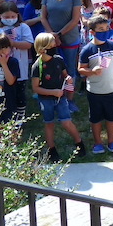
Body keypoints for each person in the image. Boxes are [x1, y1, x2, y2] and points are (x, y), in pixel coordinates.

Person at [31, 33, 87, 162]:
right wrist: (53, 92)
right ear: (42, 49)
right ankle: (52, 150)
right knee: (49, 123)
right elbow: (35, 88)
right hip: (46, 99)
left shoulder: (58, 60)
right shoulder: (37, 66)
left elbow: (65, 75)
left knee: (66, 121)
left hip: (60, 98)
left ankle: (79, 143)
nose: (54, 48)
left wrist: (68, 79)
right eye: (51, 46)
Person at [78, 15, 113, 155]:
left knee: (112, 117)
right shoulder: (87, 50)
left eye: (106, 28)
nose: (105, 31)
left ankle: (112, 141)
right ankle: (98, 143)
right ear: (92, 32)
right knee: (96, 118)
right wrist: (92, 71)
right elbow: (80, 69)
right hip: (95, 91)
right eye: (101, 29)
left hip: (112, 89)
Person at [41, 0, 83, 101]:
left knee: (70, 69)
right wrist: (52, 35)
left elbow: (75, 19)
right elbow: (43, 17)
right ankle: (53, 95)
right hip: (51, 40)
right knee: (51, 67)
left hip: (70, 38)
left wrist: (59, 34)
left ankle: (69, 99)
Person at [0, 2, 34, 124]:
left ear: (17, 15)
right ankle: (1, 118)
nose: (10, 19)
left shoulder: (23, 27)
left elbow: (29, 44)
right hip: (0, 70)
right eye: (6, 17)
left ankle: (19, 119)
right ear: (0, 16)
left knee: (19, 94)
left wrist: (12, 43)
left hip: (19, 67)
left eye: (13, 16)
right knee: (2, 94)